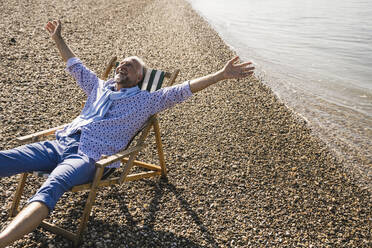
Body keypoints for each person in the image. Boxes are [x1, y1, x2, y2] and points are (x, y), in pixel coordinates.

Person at [0, 20, 255, 247]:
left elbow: (183, 89)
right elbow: (75, 65)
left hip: (90, 157)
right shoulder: (98, 87)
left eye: (131, 66)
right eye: (122, 63)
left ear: (140, 77)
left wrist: (221, 75)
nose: (124, 65)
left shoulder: (147, 100)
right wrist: (58, 38)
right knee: (6, 158)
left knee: (50, 188)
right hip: (61, 142)